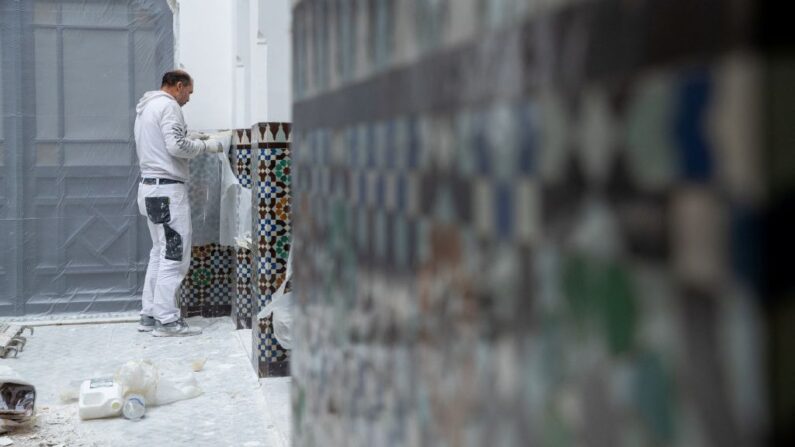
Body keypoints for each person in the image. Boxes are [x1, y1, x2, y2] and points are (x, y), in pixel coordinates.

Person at [133, 70, 226, 337]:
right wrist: (208, 147)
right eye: (189, 93)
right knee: (174, 256)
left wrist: (197, 136)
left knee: (159, 252)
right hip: (168, 194)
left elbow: (166, 140)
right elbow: (175, 146)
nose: (188, 99)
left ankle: (149, 314)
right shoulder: (169, 105)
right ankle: (167, 320)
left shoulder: (147, 107)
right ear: (179, 86)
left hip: (150, 190)